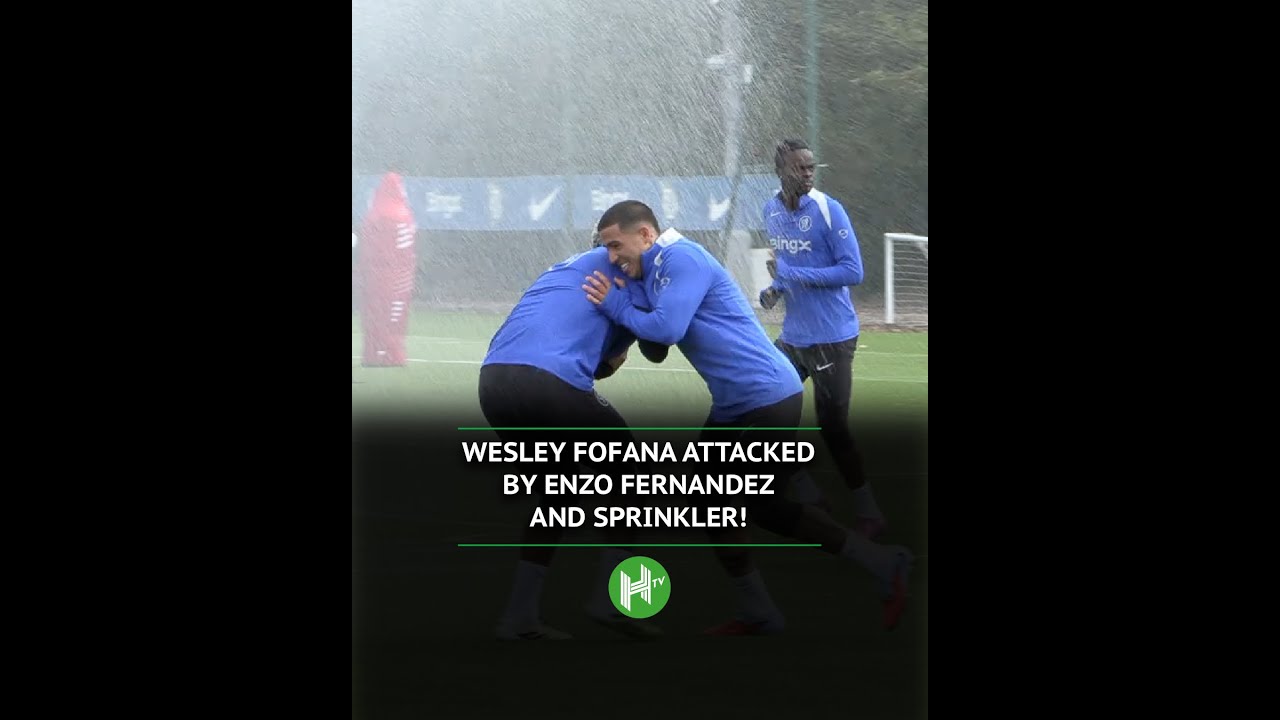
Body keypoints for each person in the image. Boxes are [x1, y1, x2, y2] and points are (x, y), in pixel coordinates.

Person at [583, 200, 912, 634]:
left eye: (614, 245)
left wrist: (616, 305)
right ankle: (778, 601)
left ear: (645, 234)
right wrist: (636, 294)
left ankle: (869, 566)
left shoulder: (682, 257)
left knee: (740, 504)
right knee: (733, 506)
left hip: (766, 396)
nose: (611, 257)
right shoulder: (658, 267)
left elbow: (665, 331)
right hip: (737, 406)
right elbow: (657, 351)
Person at [481, 244, 667, 641]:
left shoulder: (561, 267)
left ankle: (519, 616)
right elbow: (656, 347)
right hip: (547, 384)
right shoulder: (632, 275)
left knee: (557, 495)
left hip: (493, 381)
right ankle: (611, 603)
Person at [758, 139, 887, 539]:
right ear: (781, 170)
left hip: (832, 337)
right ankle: (808, 492)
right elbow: (790, 267)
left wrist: (791, 276)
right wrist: (775, 289)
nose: (809, 174)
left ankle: (869, 513)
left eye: (812, 168)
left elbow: (853, 271)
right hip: (793, 336)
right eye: (801, 168)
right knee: (760, 405)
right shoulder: (771, 211)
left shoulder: (829, 210)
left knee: (833, 428)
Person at [358, 171, 418, 367]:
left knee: (375, 313)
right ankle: (391, 353)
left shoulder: (375, 214)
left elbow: (367, 247)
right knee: (394, 315)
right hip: (398, 276)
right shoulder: (403, 215)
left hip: (376, 275)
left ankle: (374, 353)